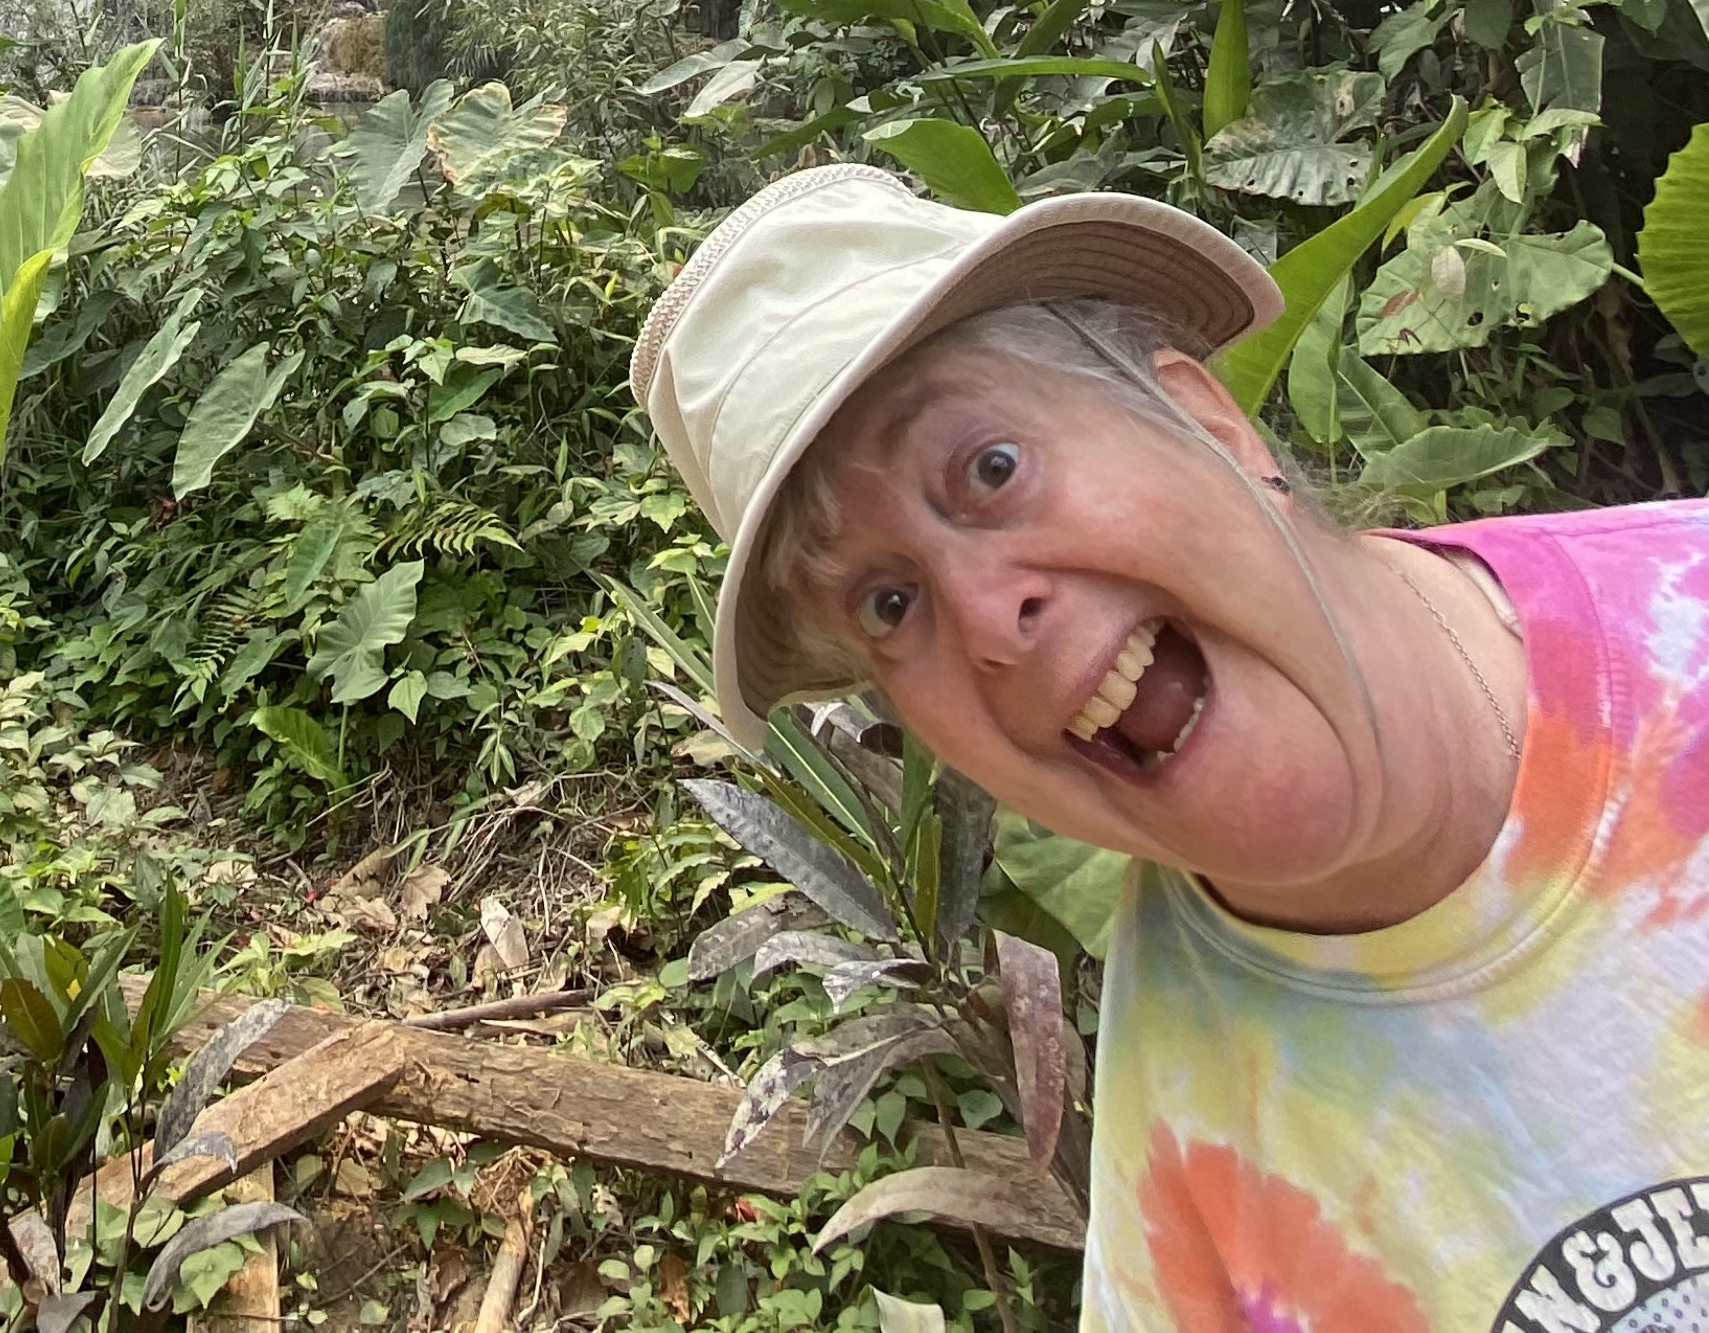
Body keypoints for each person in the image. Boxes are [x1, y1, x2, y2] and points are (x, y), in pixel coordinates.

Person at [626, 160, 1709, 1333]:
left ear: (1207, 418)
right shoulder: (1187, 1201)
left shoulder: (1681, 623)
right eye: (889, 604)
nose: (989, 621)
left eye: (991, 468)